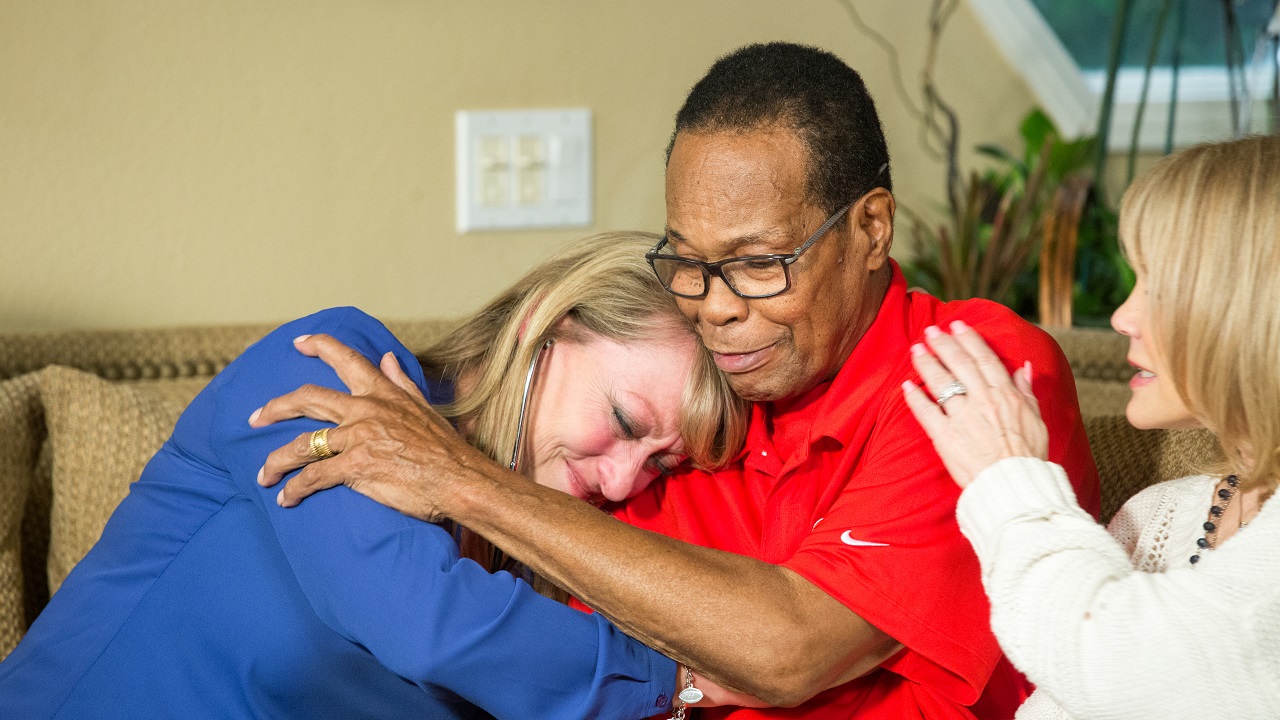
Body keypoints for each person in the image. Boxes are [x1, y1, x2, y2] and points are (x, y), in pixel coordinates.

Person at [256, 43, 1101, 718]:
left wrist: (459, 479)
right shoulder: (697, 406)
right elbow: (542, 647)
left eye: (759, 264)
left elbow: (788, 650)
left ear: (871, 228)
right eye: (689, 264)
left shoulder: (968, 370)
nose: (717, 308)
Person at [0, 233, 750, 719]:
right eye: (624, 422)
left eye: (659, 461)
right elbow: (425, 624)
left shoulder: (541, 559)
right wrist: (670, 675)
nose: (624, 480)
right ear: (545, 327)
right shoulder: (331, 366)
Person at [901, 134, 1280, 718]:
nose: (1123, 317)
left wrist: (1010, 477)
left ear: (1253, 309)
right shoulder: (1155, 517)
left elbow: (1128, 673)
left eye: (1158, 288)